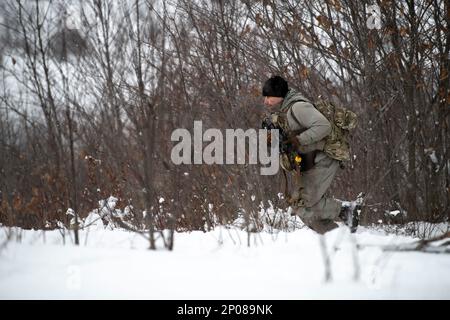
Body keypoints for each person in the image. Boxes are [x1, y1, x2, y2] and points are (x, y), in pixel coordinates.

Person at [262, 75, 357, 234]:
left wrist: (297, 140)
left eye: (268, 96)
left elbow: (323, 126)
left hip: (324, 156)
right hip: (310, 160)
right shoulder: (284, 112)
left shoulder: (298, 107)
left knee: (305, 205)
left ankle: (346, 211)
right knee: (301, 207)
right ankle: (334, 238)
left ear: (279, 95)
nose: (265, 101)